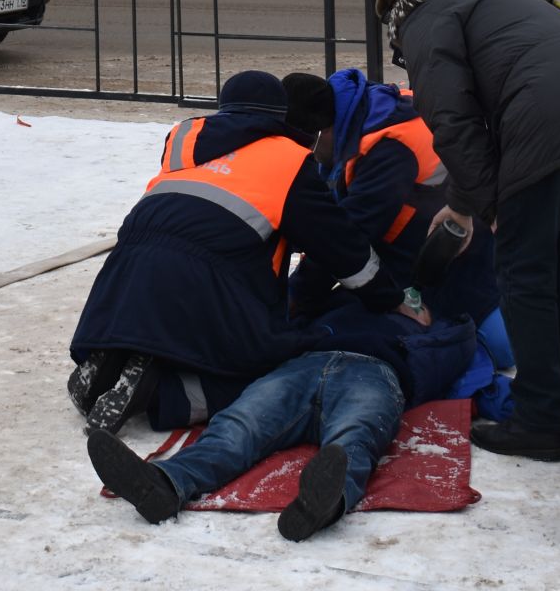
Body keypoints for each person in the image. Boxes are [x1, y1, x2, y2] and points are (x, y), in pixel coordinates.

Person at [372, 0, 560, 461]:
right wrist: (473, 200)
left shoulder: (428, 13)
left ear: (400, 6)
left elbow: (451, 117)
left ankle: (538, 420)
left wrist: (469, 204)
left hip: (550, 118)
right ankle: (555, 394)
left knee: (523, 272)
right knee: (559, 262)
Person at [68, 71, 404, 433]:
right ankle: (162, 393)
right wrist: (390, 298)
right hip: (208, 286)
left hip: (122, 277)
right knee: (271, 371)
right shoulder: (289, 160)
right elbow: (342, 248)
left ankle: (117, 353)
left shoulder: (184, 138)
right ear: (281, 114)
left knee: (174, 309)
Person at [86, 302, 473, 541]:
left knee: (354, 437)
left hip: (374, 372)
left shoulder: (436, 327)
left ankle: (321, 505)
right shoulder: (333, 300)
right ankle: (164, 485)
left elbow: (455, 356)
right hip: (303, 364)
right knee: (238, 425)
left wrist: (424, 335)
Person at [283, 69, 511, 363]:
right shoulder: (369, 110)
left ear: (322, 132)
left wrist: (296, 297)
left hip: (454, 256)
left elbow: (345, 241)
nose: (310, 158)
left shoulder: (387, 150)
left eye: (307, 148)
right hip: (426, 238)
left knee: (500, 349)